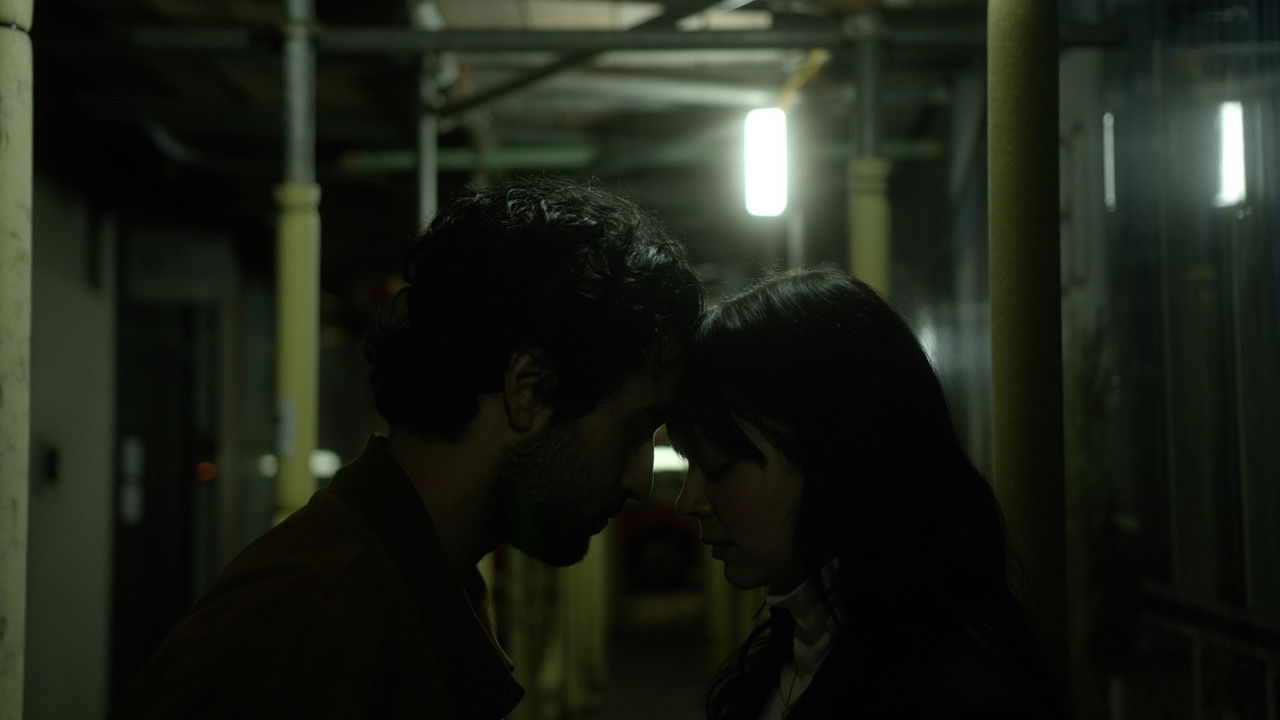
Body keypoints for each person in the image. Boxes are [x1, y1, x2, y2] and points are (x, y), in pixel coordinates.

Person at [109, 177, 702, 719]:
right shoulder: (307, 626)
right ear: (528, 389)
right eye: (633, 430)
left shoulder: (403, 581)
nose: (640, 481)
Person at [669, 269, 1059, 719]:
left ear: (832, 448)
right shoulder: (804, 645)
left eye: (717, 464)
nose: (688, 502)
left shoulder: (956, 693)